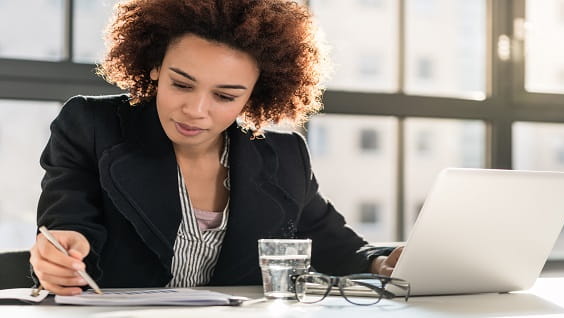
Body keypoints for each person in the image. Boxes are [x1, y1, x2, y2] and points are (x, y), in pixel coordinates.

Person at [29, 0, 403, 296]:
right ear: (155, 66)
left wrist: (381, 263)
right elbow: (68, 220)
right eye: (181, 84)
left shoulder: (284, 157)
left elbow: (334, 246)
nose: (196, 110)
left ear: (256, 94)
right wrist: (64, 250)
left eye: (225, 95)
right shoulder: (92, 125)